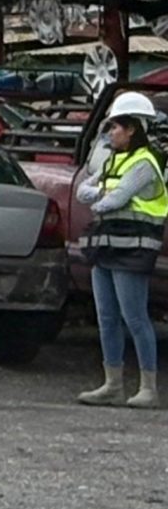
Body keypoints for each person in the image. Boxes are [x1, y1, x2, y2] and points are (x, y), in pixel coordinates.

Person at [76, 91, 166, 408]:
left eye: (115, 127)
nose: (110, 132)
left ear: (132, 130)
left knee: (134, 317)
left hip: (133, 248)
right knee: (107, 317)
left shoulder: (145, 162)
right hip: (108, 245)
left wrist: (100, 198)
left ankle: (148, 388)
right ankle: (112, 384)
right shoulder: (115, 160)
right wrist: (101, 194)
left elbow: (115, 197)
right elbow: (82, 190)